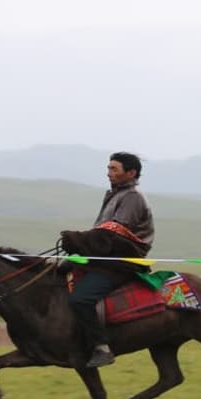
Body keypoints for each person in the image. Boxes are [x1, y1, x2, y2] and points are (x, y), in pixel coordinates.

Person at [64, 151, 154, 368]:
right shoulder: (116, 195)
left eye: (114, 169)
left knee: (80, 299)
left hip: (121, 263)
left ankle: (101, 347)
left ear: (131, 173)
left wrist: (78, 240)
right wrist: (79, 249)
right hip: (105, 258)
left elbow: (113, 234)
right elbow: (103, 233)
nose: (108, 173)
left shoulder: (132, 198)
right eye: (108, 168)